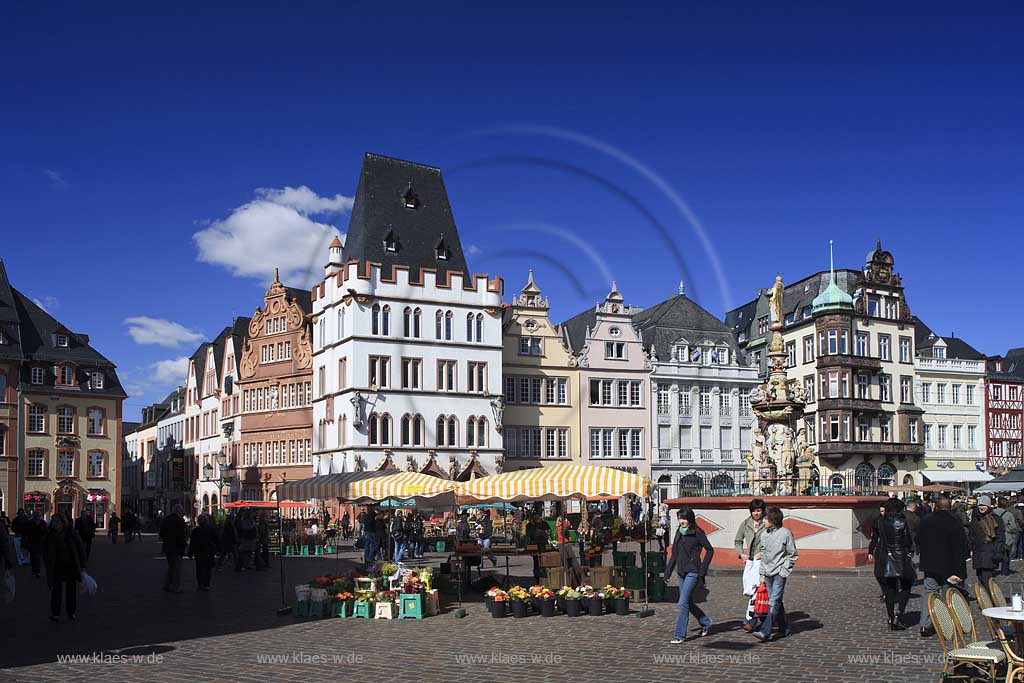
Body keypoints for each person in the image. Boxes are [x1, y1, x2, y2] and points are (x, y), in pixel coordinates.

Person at [917, 496, 968, 637]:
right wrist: (962, 573)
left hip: (930, 564)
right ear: (950, 507)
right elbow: (961, 548)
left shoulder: (926, 520)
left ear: (936, 506)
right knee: (948, 594)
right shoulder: (955, 521)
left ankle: (925, 625)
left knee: (929, 593)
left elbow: (918, 540)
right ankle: (946, 625)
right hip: (950, 566)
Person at [664, 506, 713, 644]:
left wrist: (702, 570)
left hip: (693, 571)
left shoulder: (697, 532)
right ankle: (705, 622)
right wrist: (668, 572)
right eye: (680, 518)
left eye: (684, 518)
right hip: (681, 571)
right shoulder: (679, 531)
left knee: (682, 603)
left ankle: (679, 635)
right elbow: (674, 553)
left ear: (690, 519)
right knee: (687, 602)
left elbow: (710, 550)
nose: (681, 521)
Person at [753, 506, 798, 642]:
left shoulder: (785, 533)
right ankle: (784, 629)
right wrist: (761, 575)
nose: (763, 521)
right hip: (767, 573)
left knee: (773, 602)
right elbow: (763, 555)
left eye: (766, 518)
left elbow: (792, 554)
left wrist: (784, 570)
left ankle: (765, 631)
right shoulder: (764, 534)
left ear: (773, 520)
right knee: (776, 601)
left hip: (779, 573)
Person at [876, 498, 916, 630]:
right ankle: (899, 614)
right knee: (906, 585)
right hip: (900, 556)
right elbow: (907, 541)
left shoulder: (881, 521)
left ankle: (890, 616)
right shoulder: (902, 521)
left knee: (890, 588)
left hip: (885, 557)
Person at [43, 512, 87, 622]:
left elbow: (81, 549)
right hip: (56, 566)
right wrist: (47, 563)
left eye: (57, 521)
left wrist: (82, 565)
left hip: (70, 565)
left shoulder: (71, 534)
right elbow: (45, 551)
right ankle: (55, 613)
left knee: (71, 591)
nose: (54, 524)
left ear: (63, 523)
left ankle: (71, 612)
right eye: (53, 521)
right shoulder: (50, 535)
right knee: (56, 591)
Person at [734, 498, 766, 633]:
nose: (756, 513)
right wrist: (741, 554)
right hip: (751, 563)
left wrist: (763, 553)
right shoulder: (746, 523)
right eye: (754, 511)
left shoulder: (767, 523)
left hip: (764, 562)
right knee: (753, 591)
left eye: (758, 510)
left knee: (757, 591)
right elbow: (738, 540)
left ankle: (751, 621)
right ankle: (766, 621)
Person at [970, 495, 1005, 588]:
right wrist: (972, 546)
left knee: (987, 578)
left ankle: (991, 598)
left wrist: (998, 553)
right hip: (978, 552)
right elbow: (971, 535)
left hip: (990, 552)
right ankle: (984, 598)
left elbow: (1000, 538)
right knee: (980, 577)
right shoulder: (975, 519)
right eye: (979, 505)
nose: (981, 507)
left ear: (989, 506)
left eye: (983, 505)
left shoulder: (996, 519)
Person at [160, 504, 188, 592]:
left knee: (171, 567)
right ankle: (175, 587)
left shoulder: (166, 519)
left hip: (168, 547)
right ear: (179, 512)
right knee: (177, 569)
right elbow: (183, 534)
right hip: (177, 547)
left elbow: (161, 533)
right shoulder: (180, 521)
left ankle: (167, 585)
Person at [188, 513, 219, 591]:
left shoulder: (196, 530)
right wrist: (217, 549)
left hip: (199, 552)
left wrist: (190, 553)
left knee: (199, 568)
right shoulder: (211, 529)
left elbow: (192, 543)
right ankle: (206, 584)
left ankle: (200, 584)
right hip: (209, 551)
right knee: (208, 568)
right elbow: (216, 540)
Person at [866, 503, 888, 602]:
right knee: (878, 573)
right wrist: (870, 551)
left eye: (884, 511)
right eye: (881, 511)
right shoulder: (877, 521)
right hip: (880, 549)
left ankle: (888, 593)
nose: (882, 513)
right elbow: (874, 538)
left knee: (889, 574)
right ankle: (885, 591)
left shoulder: (894, 521)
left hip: (892, 550)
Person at [556, 512, 582, 586]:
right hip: (564, 544)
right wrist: (566, 526)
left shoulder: (561, 525)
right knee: (569, 563)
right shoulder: (561, 526)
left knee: (569, 563)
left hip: (563, 544)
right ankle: (571, 582)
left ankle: (573, 581)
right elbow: (563, 533)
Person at [997, 497, 1019, 576]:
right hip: (1006, 536)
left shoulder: (992, 512)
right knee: (1006, 555)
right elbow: (1013, 527)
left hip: (994, 536)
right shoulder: (1009, 514)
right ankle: (1004, 571)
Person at [22, 510, 47, 578]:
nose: (37, 517)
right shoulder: (30, 522)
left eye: (38, 515)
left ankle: (37, 571)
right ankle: (34, 570)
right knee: (33, 557)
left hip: (40, 542)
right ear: (34, 516)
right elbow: (26, 533)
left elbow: (45, 532)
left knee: (37, 557)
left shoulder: (43, 523)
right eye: (36, 515)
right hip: (32, 542)